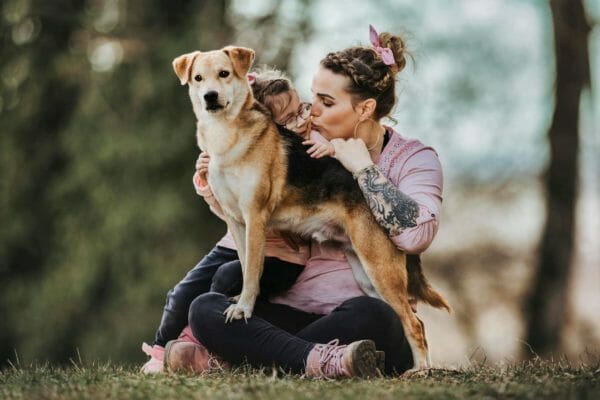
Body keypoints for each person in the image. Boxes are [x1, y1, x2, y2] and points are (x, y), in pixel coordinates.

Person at [178, 25, 444, 378]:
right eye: (312, 97)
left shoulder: (414, 158)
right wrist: (213, 182)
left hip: (360, 324)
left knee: (372, 314)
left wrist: (364, 169)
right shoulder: (300, 143)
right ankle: (317, 360)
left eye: (326, 102)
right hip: (295, 320)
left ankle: (259, 356)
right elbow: (244, 221)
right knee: (205, 307)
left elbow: (415, 236)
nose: (310, 111)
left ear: (365, 109)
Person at [141, 67, 326, 374]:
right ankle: (160, 354)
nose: (303, 120)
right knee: (181, 293)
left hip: (281, 255)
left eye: (302, 108)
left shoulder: (303, 152)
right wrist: (208, 177)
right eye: (290, 118)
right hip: (234, 242)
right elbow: (227, 211)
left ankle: (206, 348)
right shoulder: (241, 148)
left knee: (225, 281)